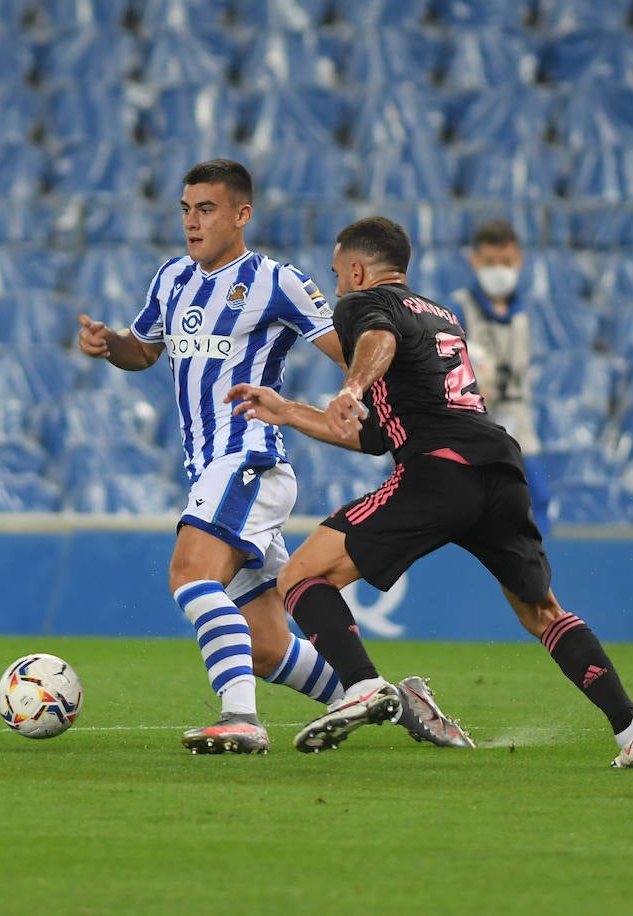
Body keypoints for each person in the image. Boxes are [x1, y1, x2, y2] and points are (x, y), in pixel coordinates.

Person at [227, 215, 633, 767]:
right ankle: (632, 728)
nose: (336, 284)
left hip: (440, 470)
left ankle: (363, 686)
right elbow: (375, 434)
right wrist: (289, 411)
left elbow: (376, 341)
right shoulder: (440, 316)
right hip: (498, 465)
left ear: (359, 269)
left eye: (338, 272)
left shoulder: (362, 306)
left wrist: (351, 384)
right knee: (542, 613)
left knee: (302, 576)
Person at [77, 160, 470, 755]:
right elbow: (145, 352)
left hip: (247, 456)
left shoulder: (276, 281)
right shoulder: (171, 279)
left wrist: (366, 394)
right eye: (185, 209)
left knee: (188, 574)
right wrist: (112, 346)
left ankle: (240, 718)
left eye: (206, 209)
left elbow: (351, 346)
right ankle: (388, 697)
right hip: (212, 467)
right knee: (265, 646)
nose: (191, 221)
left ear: (241, 214)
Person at [450, 218, 550, 533]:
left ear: (518, 260)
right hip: (474, 428)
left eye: (506, 262)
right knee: (471, 508)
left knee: (537, 498)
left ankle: (538, 575)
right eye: (490, 262)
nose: (499, 270)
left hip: (519, 427)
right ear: (474, 260)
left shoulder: (523, 314)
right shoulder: (458, 309)